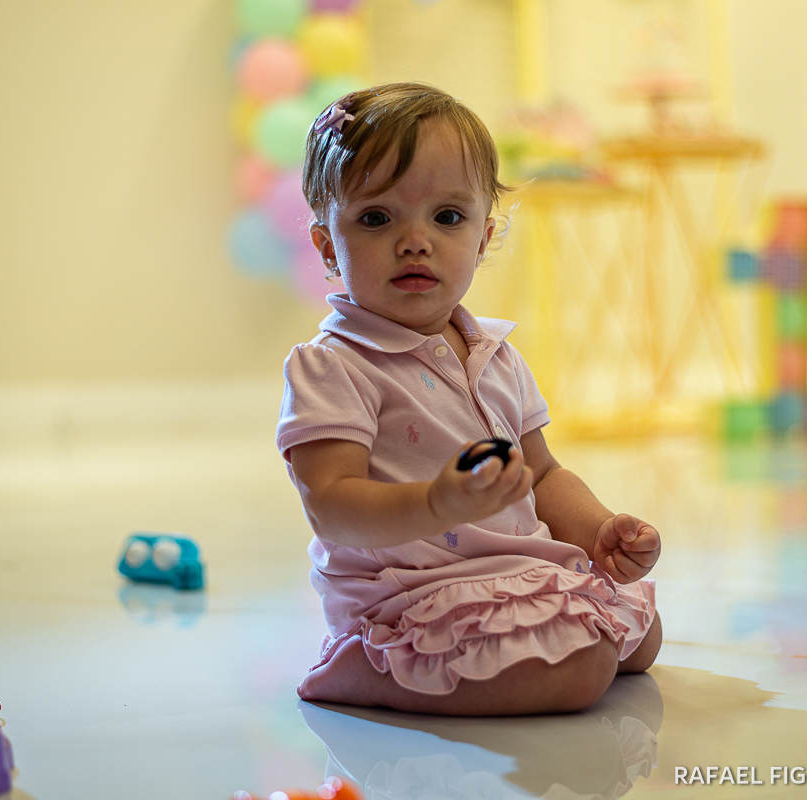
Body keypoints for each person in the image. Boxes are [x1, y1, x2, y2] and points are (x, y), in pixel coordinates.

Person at [277, 83, 662, 716]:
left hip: (511, 568)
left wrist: (598, 530)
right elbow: (333, 505)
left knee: (639, 639)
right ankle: (367, 665)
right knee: (580, 669)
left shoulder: (495, 354)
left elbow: (542, 473)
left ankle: (512, 641)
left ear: (483, 237)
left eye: (446, 217)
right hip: (410, 592)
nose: (414, 240)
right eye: (376, 218)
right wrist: (434, 503)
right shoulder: (333, 366)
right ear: (327, 247)